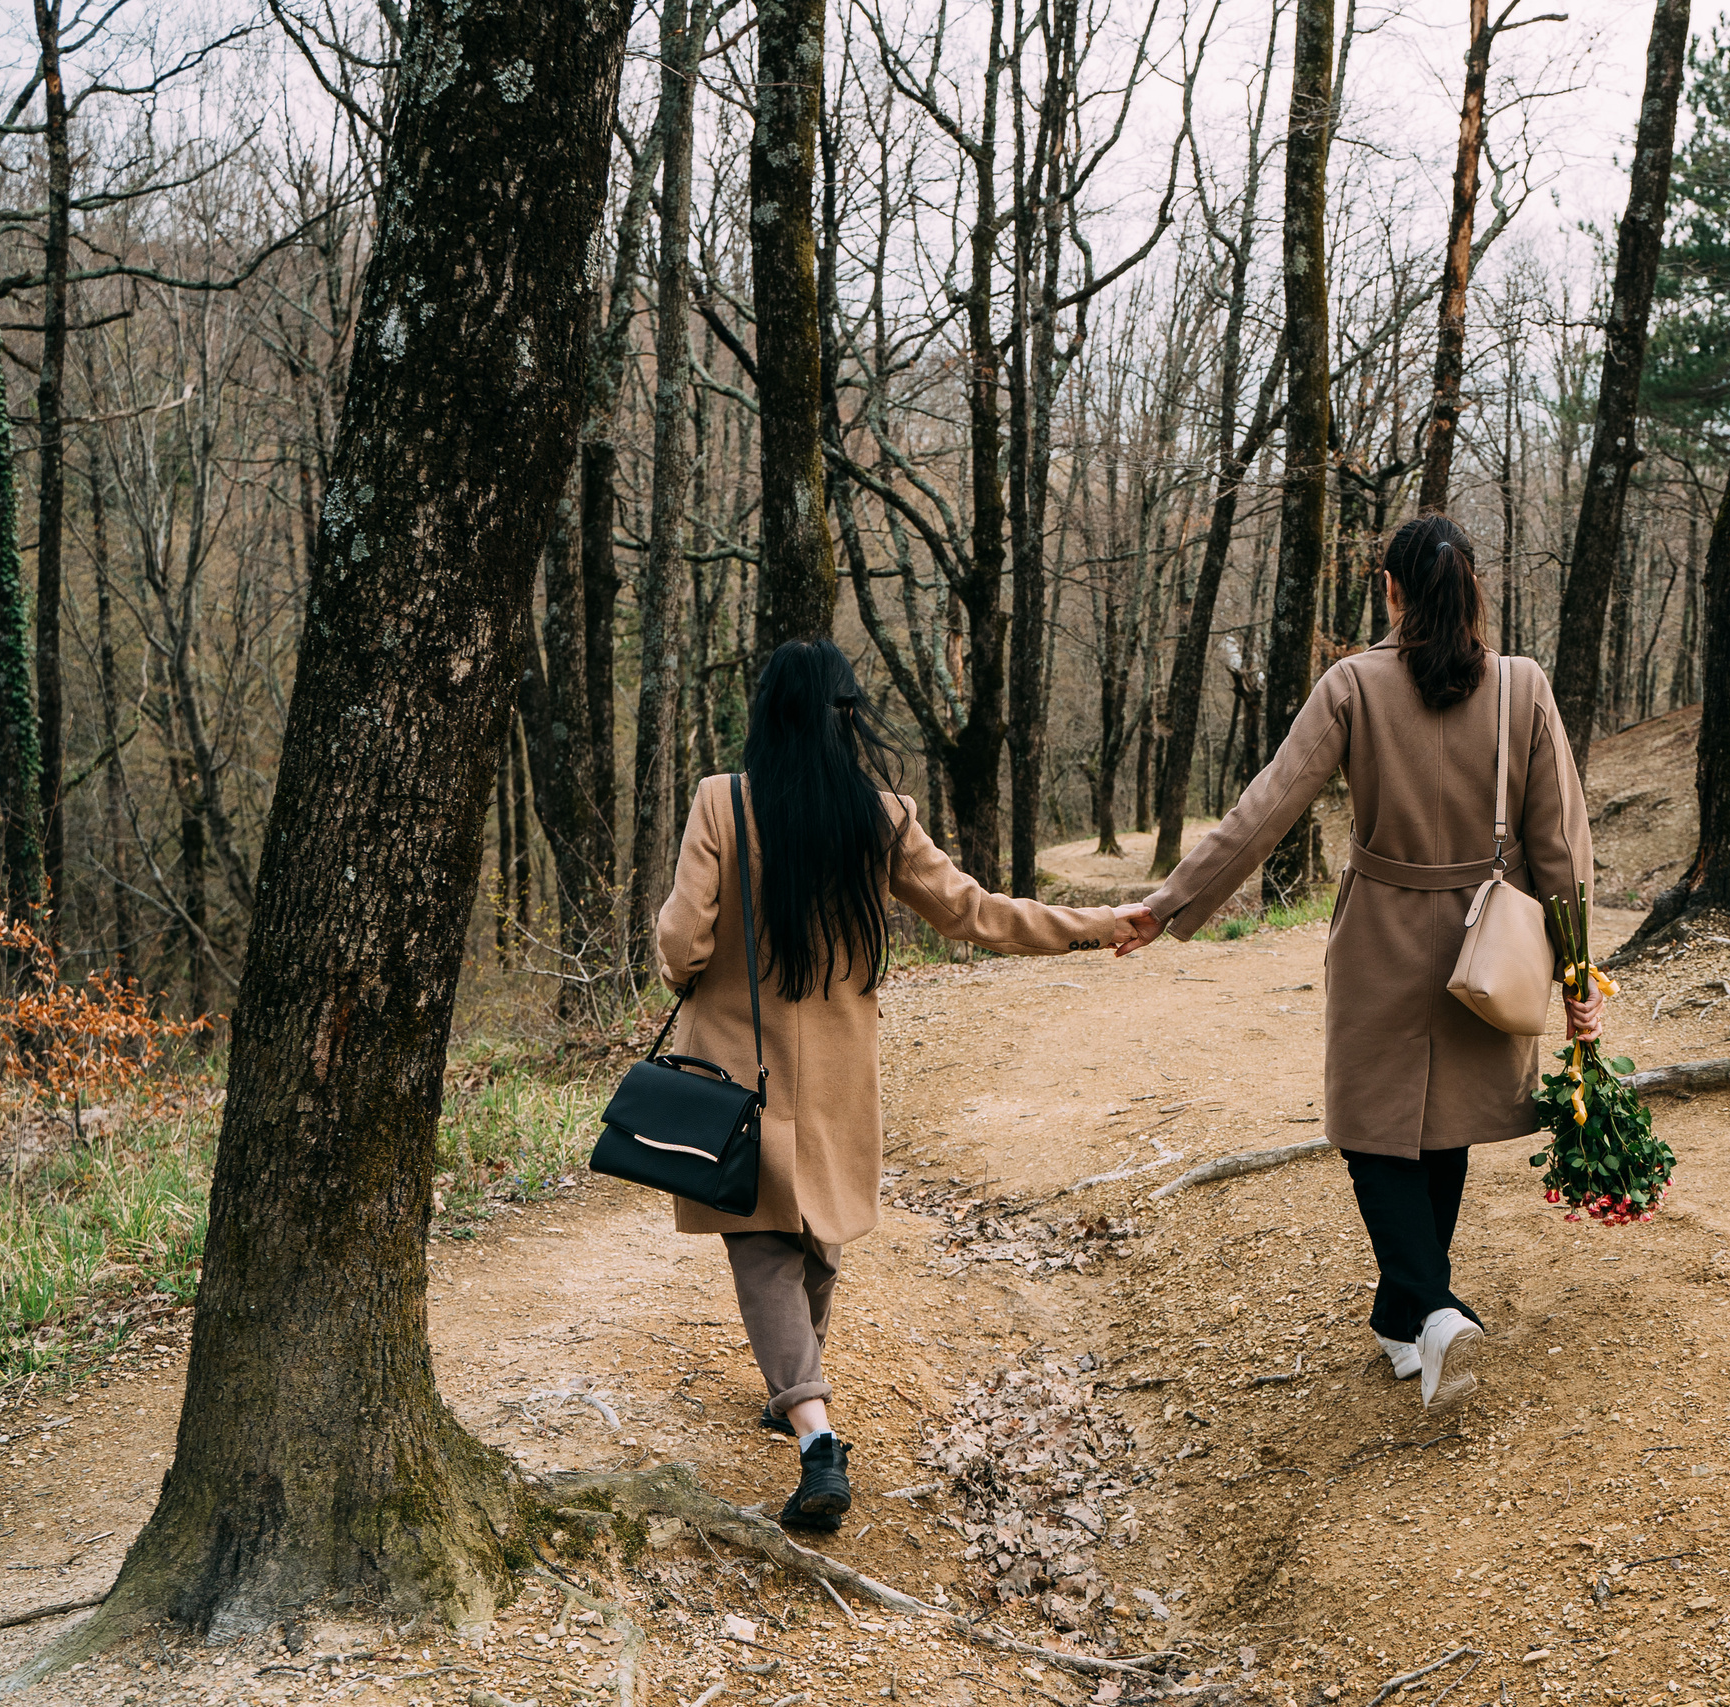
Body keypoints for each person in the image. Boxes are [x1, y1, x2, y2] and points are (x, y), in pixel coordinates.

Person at [655, 638, 1148, 1529]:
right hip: (842, 1081)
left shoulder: (719, 804)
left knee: (763, 1248)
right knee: (812, 1239)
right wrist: (1100, 920)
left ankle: (814, 1434)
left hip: (737, 1074)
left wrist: (691, 951)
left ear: (767, 715)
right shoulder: (879, 816)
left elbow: (682, 946)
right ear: (847, 718)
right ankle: (798, 1392)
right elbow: (978, 913)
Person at [1120, 515, 1604, 1409]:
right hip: (1486, 939)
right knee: (1441, 1126)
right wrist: (1578, 972)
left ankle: (1426, 1307)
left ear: (1391, 591)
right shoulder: (1524, 688)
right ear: (1473, 592)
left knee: (1376, 1131)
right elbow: (1564, 852)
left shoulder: (1351, 685)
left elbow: (1266, 806)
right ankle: (1412, 1312)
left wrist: (1167, 905)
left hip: (1381, 932)